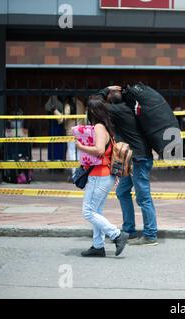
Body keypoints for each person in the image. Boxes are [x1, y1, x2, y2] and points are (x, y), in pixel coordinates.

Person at [97, 86, 158, 246]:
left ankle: (150, 235)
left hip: (138, 158)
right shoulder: (128, 108)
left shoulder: (116, 110)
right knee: (122, 191)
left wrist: (106, 89)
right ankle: (129, 230)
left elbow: (94, 103)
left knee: (143, 197)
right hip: (132, 157)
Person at [76, 97, 129, 257]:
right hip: (106, 175)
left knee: (88, 211)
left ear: (91, 112)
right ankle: (98, 246)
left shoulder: (99, 127)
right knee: (96, 211)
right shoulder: (107, 127)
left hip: (99, 175)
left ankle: (117, 235)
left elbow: (99, 150)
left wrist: (81, 147)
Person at [55, 96, 86, 181]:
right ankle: (81, 173)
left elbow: (61, 119)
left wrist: (55, 110)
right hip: (81, 131)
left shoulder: (68, 106)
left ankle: (75, 174)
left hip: (71, 132)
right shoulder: (80, 103)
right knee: (80, 153)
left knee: (72, 153)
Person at [44, 95, 66, 161]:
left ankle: (57, 162)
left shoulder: (61, 101)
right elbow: (47, 107)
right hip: (55, 125)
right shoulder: (54, 99)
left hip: (58, 126)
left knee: (58, 145)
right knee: (55, 144)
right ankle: (55, 162)